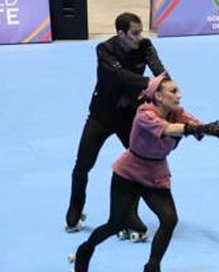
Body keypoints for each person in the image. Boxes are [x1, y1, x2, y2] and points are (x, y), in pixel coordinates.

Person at [67, 74, 219, 272]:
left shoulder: (178, 113)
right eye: (173, 91)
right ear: (158, 96)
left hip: (155, 175)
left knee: (169, 219)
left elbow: (197, 125)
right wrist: (197, 129)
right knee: (115, 223)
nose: (179, 95)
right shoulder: (145, 114)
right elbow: (170, 130)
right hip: (128, 174)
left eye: (178, 90)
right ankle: (86, 249)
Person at [66, 13, 168, 237]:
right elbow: (120, 77)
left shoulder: (145, 46)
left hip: (129, 117)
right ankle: (76, 206)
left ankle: (130, 213)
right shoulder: (104, 50)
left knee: (139, 163)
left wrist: (168, 88)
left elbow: (159, 70)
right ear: (121, 34)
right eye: (135, 33)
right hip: (101, 117)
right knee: (83, 165)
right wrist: (149, 84)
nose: (139, 37)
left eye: (141, 32)